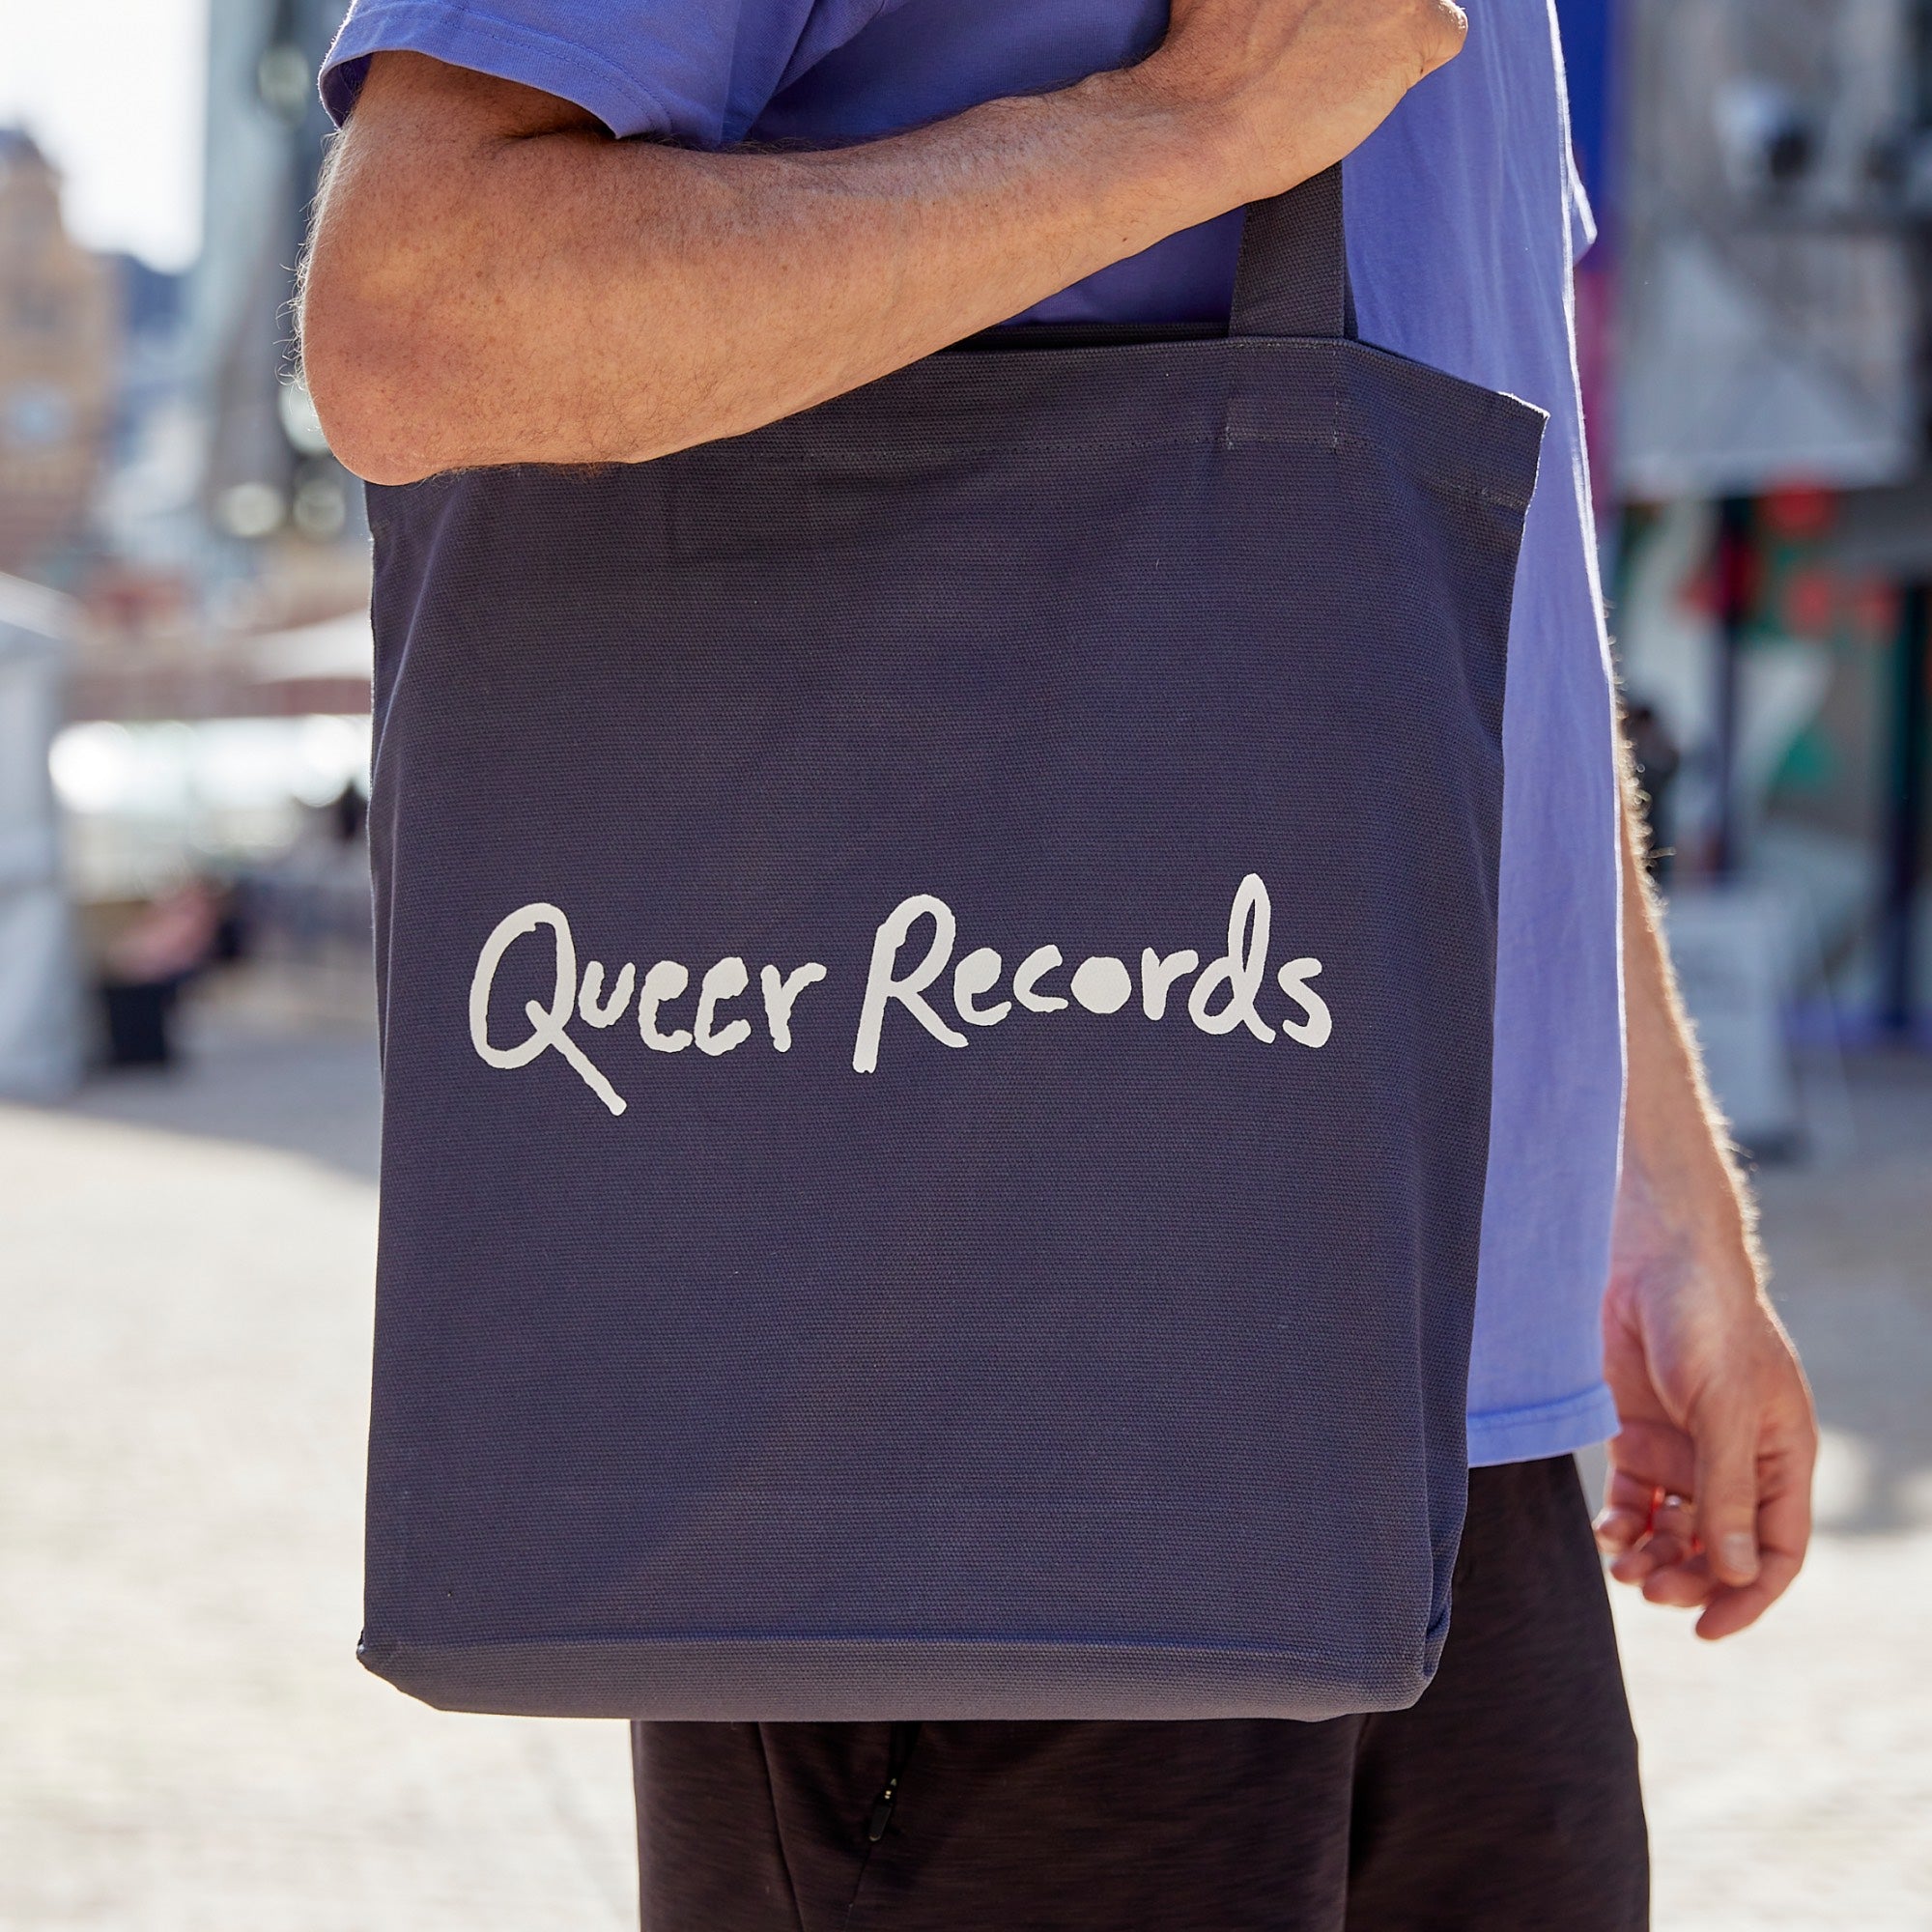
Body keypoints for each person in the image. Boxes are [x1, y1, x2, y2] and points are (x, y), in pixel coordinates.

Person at [299, 2, 1818, 1925]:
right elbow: (417, 315)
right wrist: (1182, 131)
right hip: (1004, 1384)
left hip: (1463, 1390)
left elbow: (1451, 540)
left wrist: (1655, 1202)